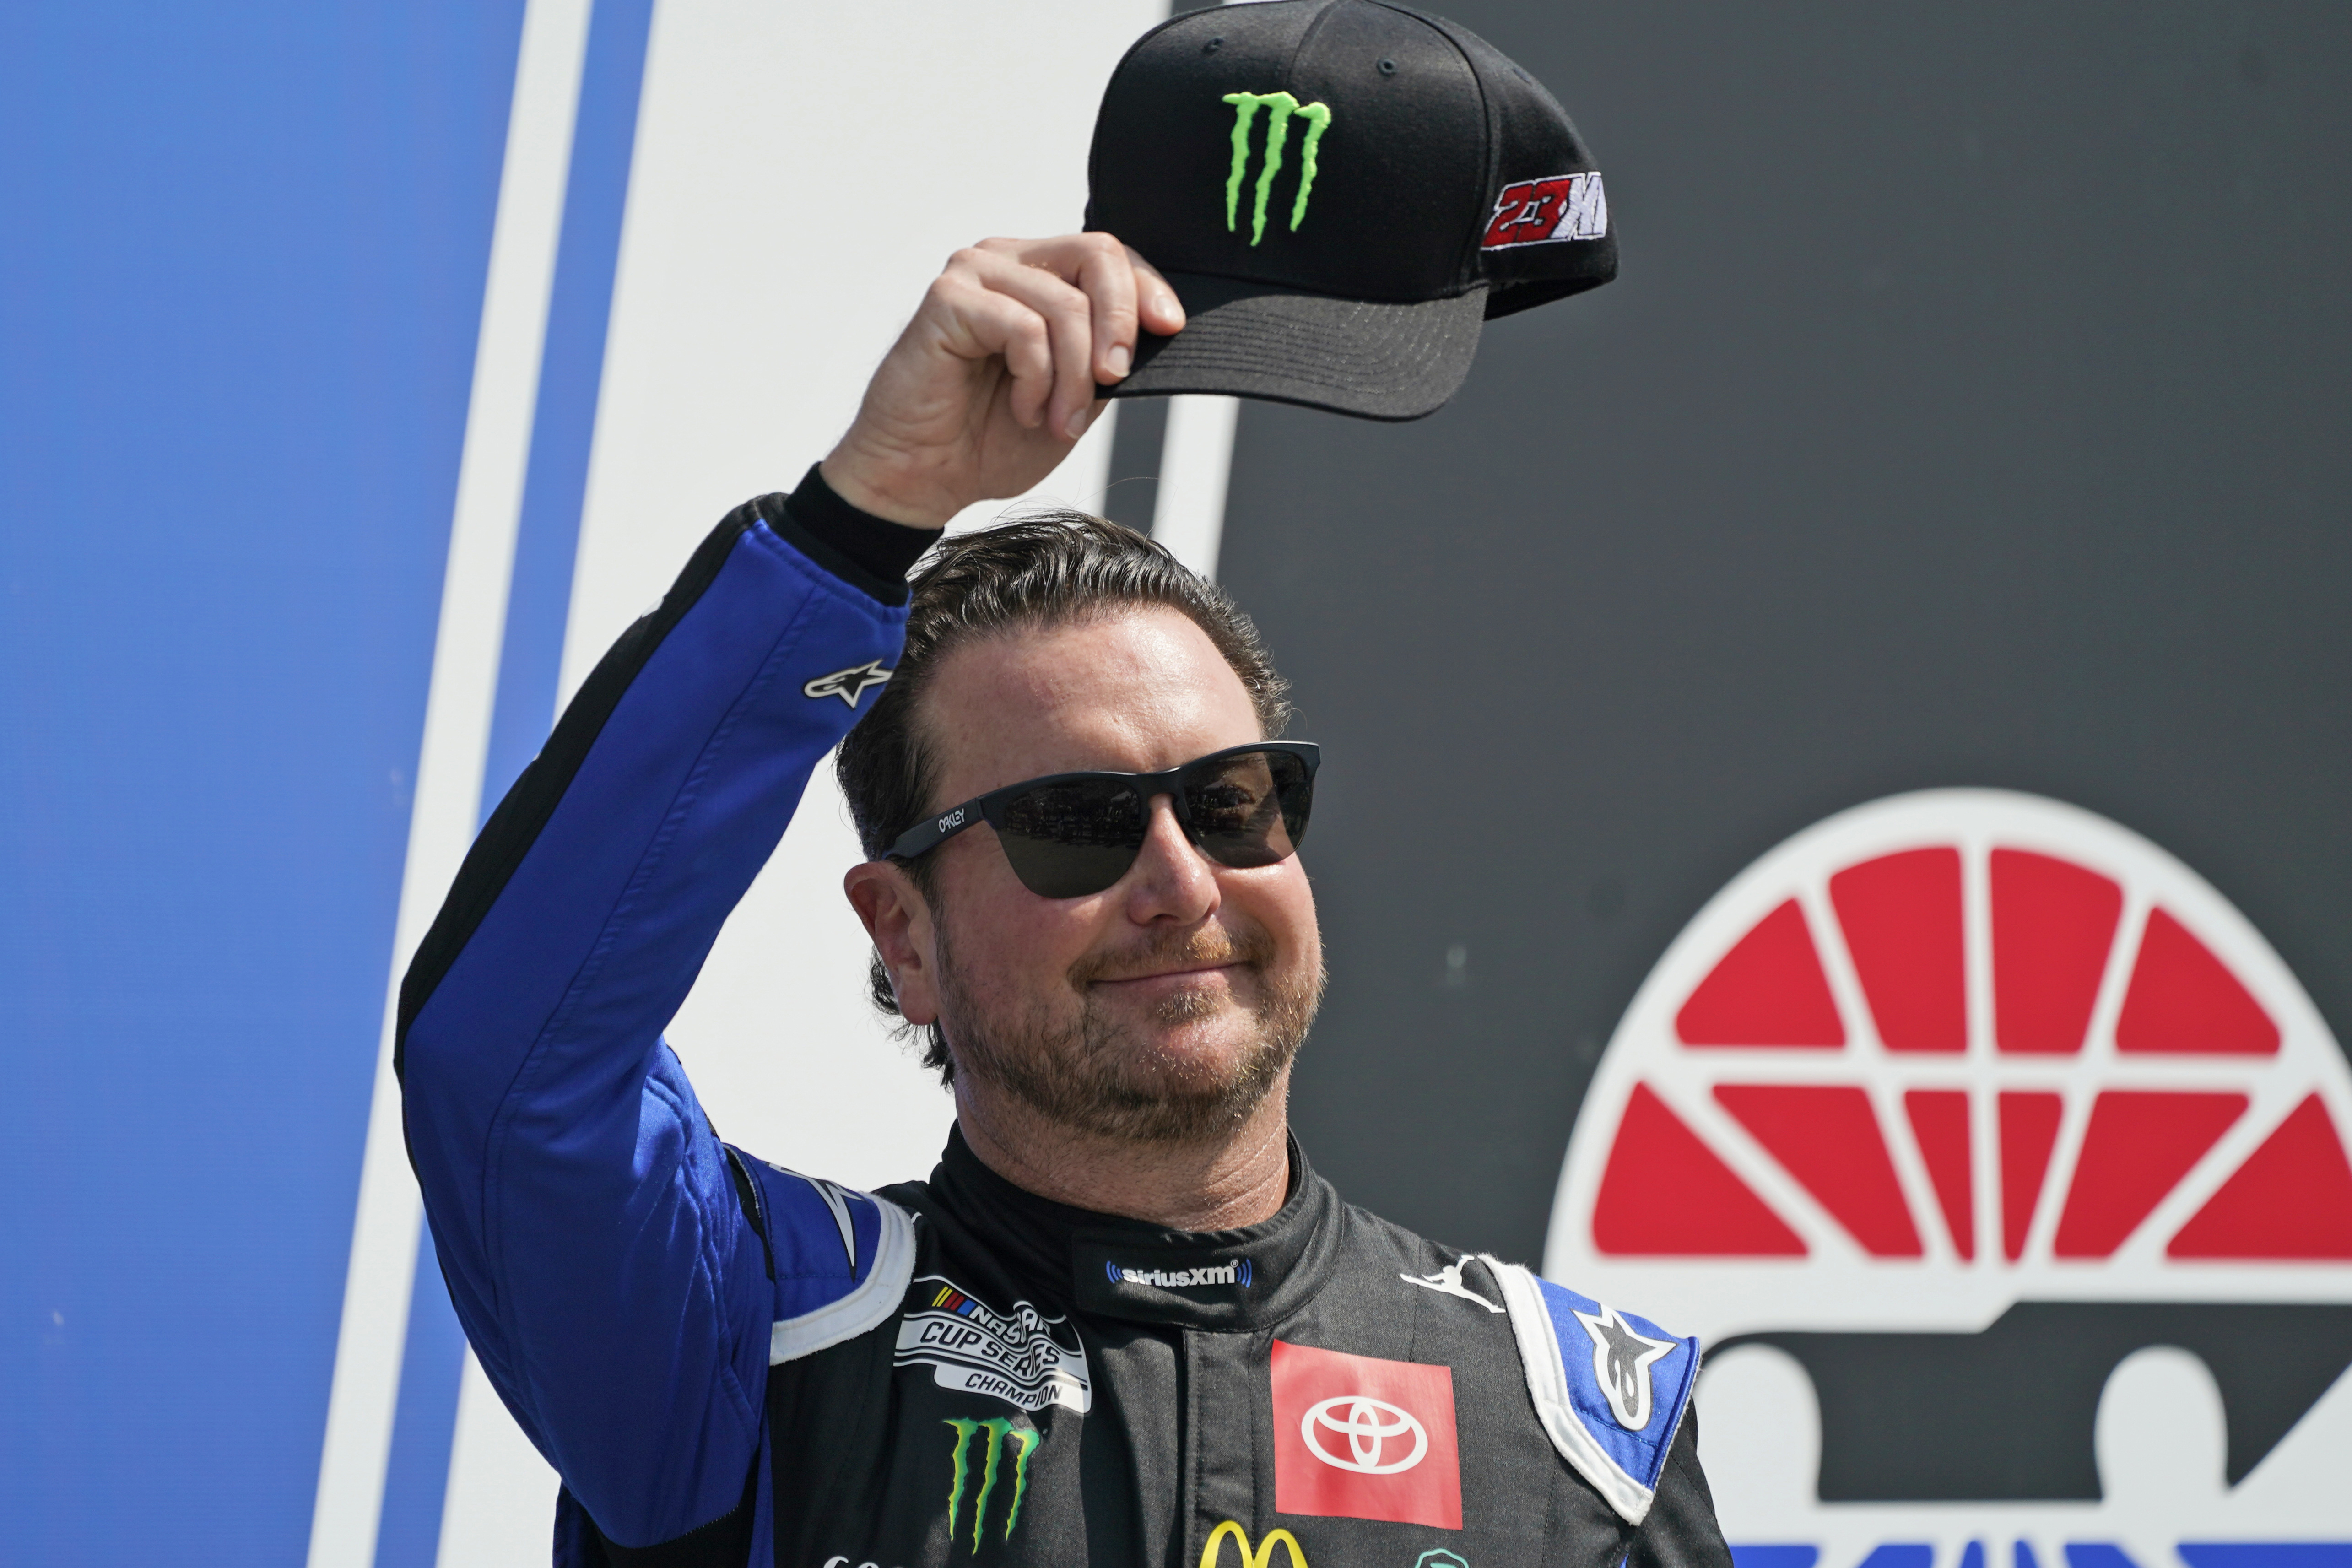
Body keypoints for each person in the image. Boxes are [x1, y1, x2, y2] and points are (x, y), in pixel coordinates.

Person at [400, 228, 1730, 1568]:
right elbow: (508, 1072)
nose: (1178, 880)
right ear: (900, 936)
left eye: (1230, 802)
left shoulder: (1568, 1429)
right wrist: (863, 516)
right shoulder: (754, 1332)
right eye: (1076, 826)